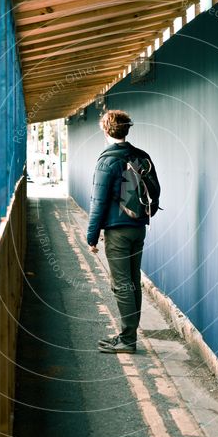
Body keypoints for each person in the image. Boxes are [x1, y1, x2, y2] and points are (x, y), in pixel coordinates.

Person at [87, 109, 160, 353]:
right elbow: (155, 192)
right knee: (133, 281)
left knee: (121, 284)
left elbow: (98, 203)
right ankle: (128, 335)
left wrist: (91, 236)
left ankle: (128, 340)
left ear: (105, 129)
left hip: (117, 232)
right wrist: (141, 217)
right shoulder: (142, 156)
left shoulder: (107, 161)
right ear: (127, 130)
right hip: (139, 228)